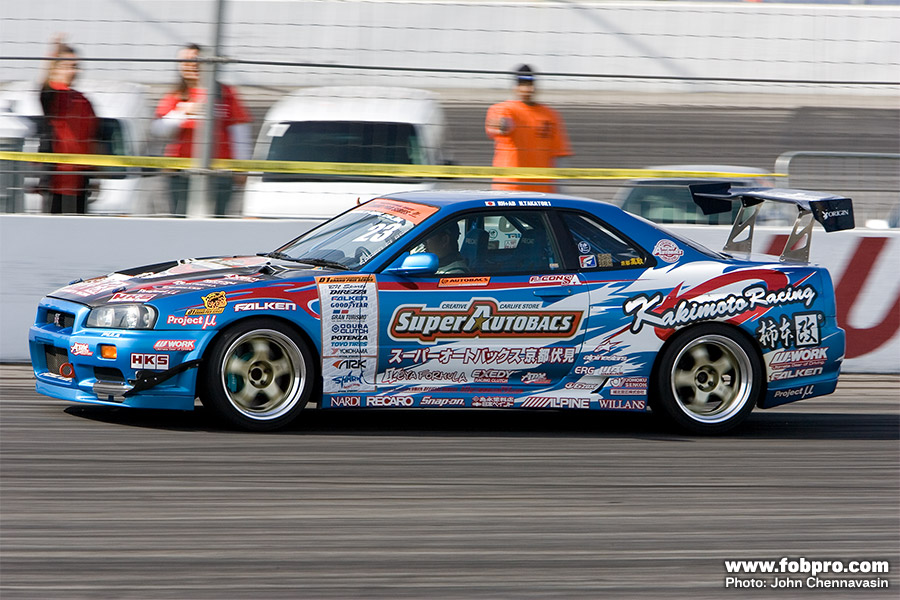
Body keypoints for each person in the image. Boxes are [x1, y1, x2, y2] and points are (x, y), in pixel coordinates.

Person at [152, 43, 252, 216]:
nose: (192, 65)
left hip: (220, 171)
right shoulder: (176, 95)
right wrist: (183, 112)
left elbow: (240, 131)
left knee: (217, 219)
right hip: (181, 172)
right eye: (186, 61)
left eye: (197, 60)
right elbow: (158, 130)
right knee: (180, 217)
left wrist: (242, 167)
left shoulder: (225, 93)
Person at [485, 64, 572, 193]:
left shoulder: (550, 115)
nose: (526, 88)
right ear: (515, 87)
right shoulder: (503, 109)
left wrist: (561, 191)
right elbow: (497, 126)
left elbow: (559, 156)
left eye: (529, 84)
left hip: (541, 191)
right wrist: (503, 125)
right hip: (509, 189)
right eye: (522, 84)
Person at [38, 34, 99, 214]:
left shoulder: (84, 101)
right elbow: (43, 87)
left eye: (75, 66)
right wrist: (54, 51)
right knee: (51, 227)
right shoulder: (53, 97)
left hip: (81, 181)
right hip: (55, 181)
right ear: (55, 69)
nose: (73, 71)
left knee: (78, 227)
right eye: (67, 66)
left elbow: (93, 139)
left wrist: (96, 174)